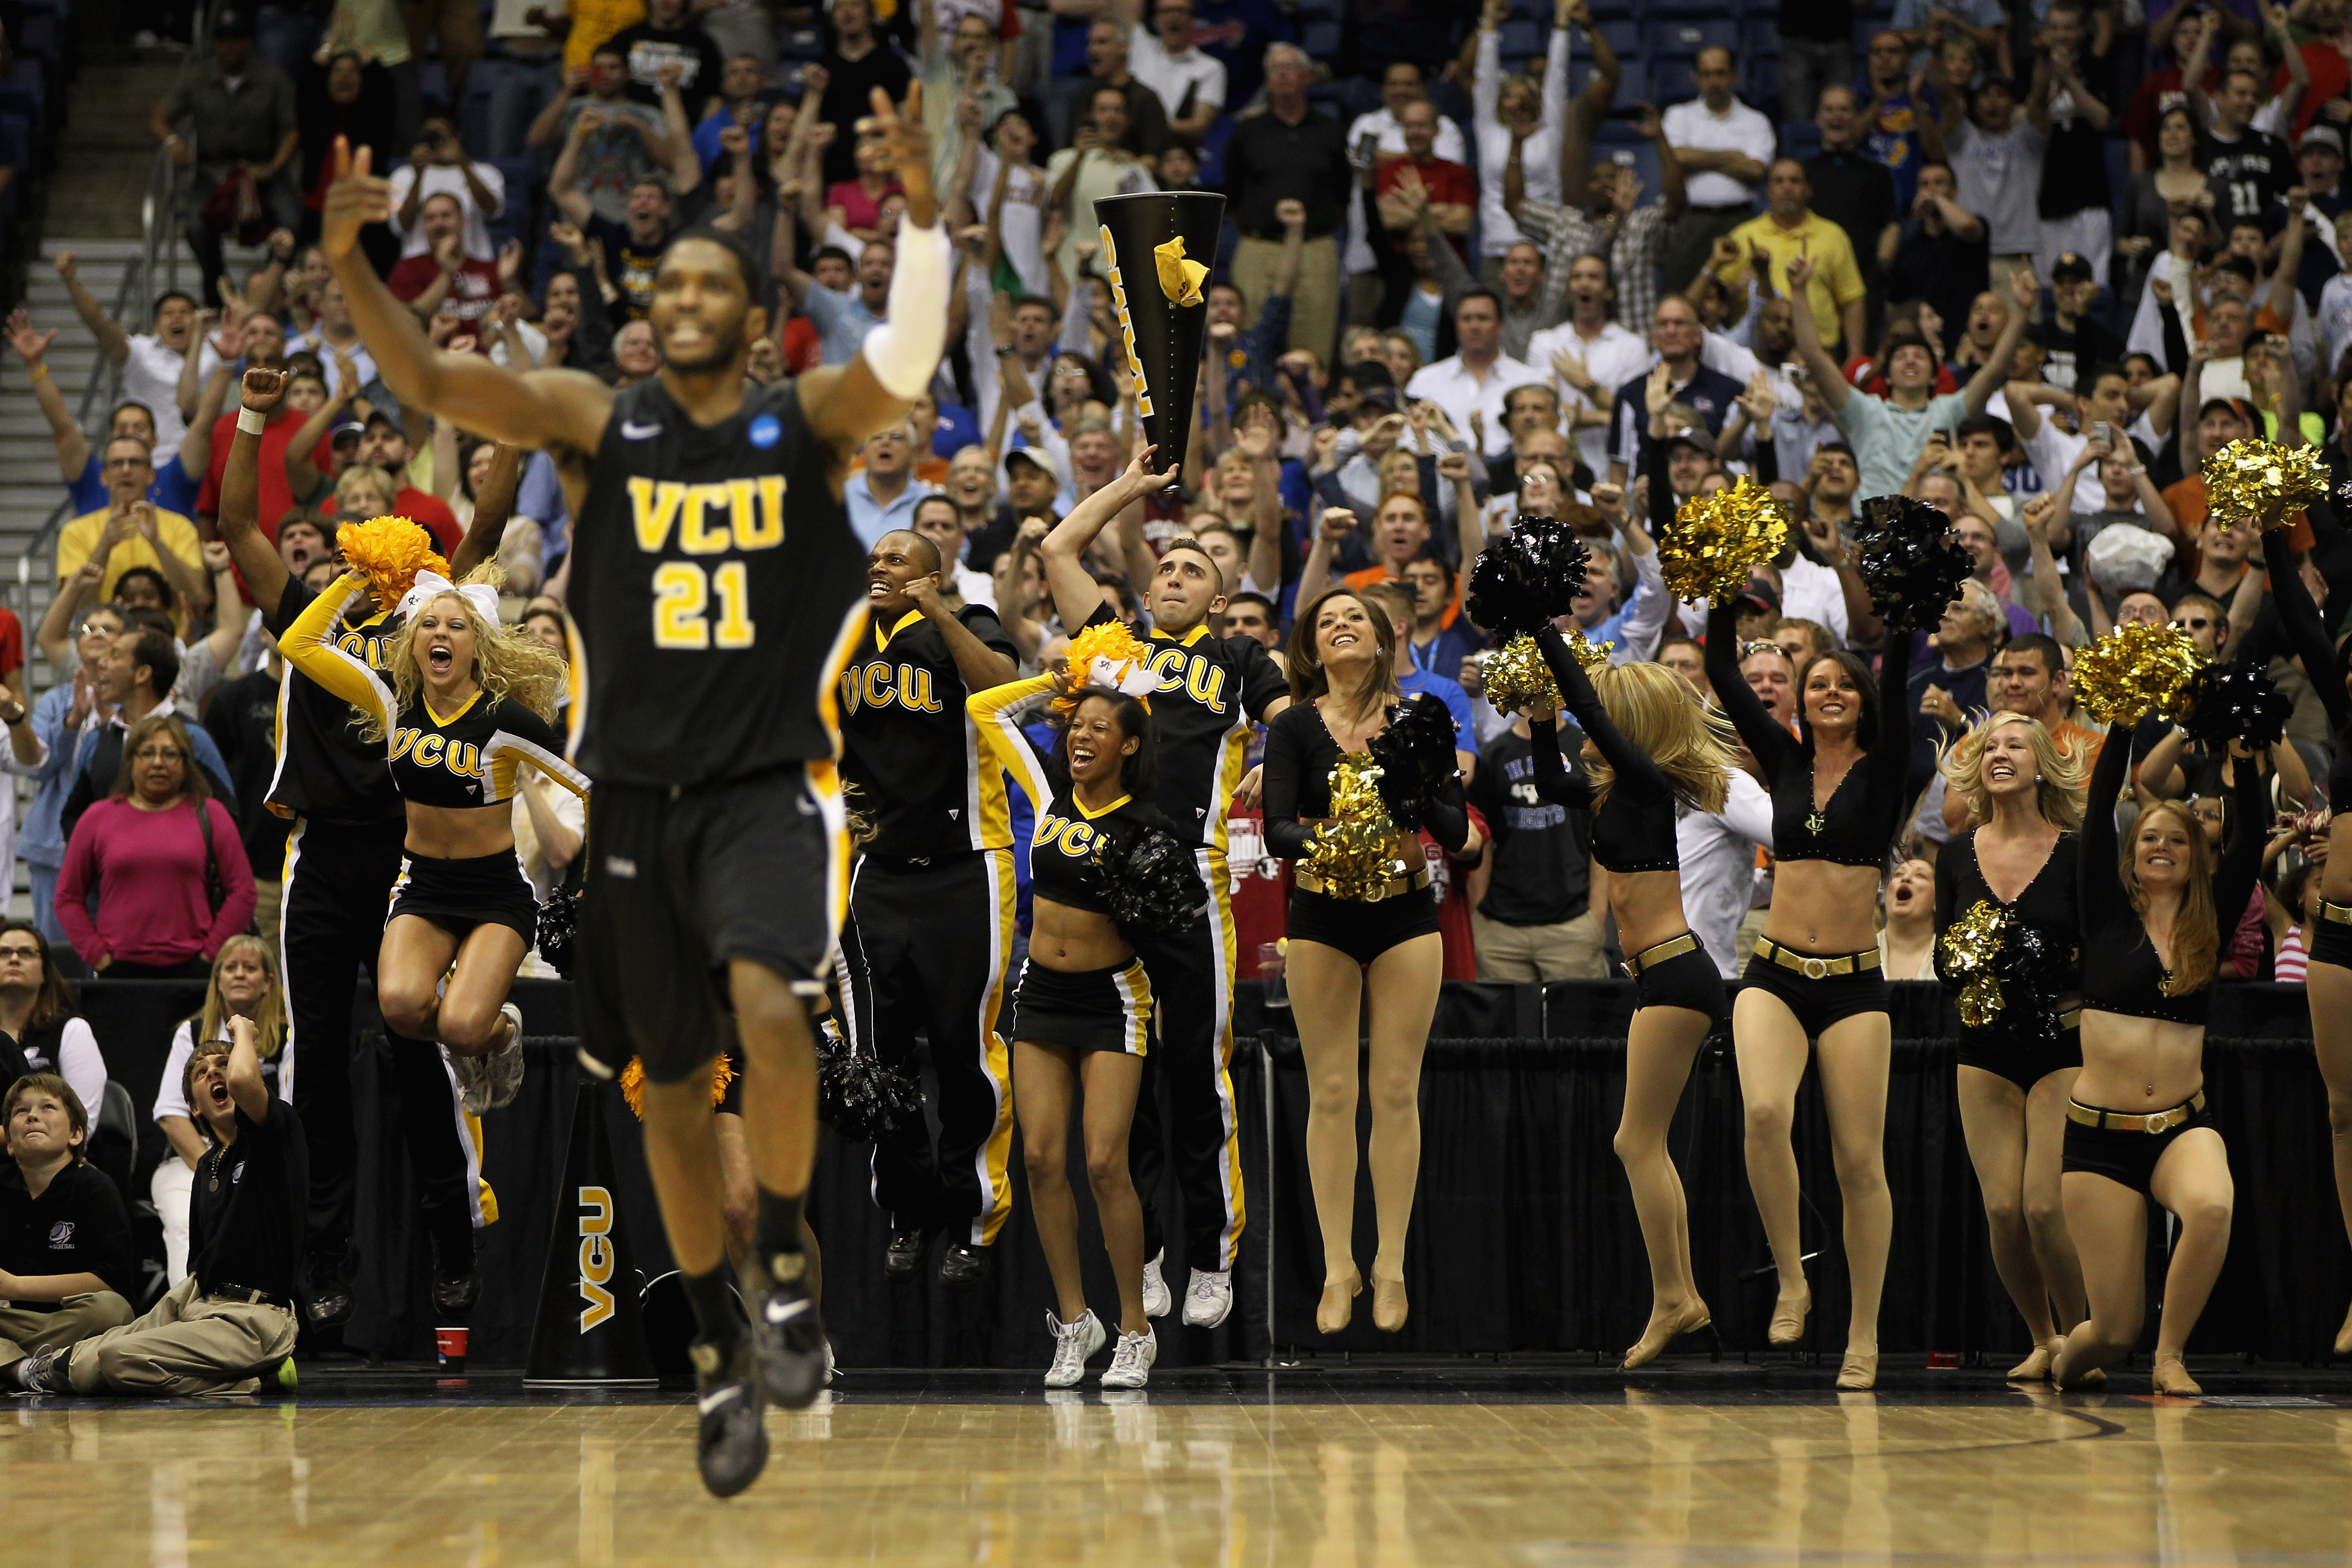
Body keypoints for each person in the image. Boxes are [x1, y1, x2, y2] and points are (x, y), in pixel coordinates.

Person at [319, 72, 947, 1492]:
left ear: (746, 319)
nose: (684, 308)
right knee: (678, 1119)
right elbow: (430, 384)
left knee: (770, 1018)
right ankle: (734, 1339)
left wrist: (924, 212)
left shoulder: (794, 432)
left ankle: (784, 1275)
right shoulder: (601, 431)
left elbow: (907, 360)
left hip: (768, 789)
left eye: (712, 286)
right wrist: (355, 264)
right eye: (665, 290)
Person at [215, 371, 500, 1340]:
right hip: (321, 854)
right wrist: (253, 416)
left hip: (412, 853)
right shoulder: (310, 609)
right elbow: (237, 525)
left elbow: (489, 530)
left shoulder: (437, 626)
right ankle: (324, 1256)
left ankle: (451, 1243)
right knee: (321, 1067)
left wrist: (508, 426)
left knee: (416, 1049)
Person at [1041, 452, 1288, 1327]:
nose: (1176, 577)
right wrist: (1137, 489)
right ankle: (1144, 1253)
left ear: (1218, 600)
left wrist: (1277, 770)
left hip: (1189, 877)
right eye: (1168, 568)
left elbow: (1290, 721)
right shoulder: (1118, 653)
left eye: (1194, 571)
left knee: (1197, 1079)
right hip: (1106, 878)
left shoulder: (1237, 657)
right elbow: (1062, 551)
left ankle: (1213, 1254)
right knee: (1126, 1083)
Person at [277, 558, 586, 1116]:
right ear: (411, 642)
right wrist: (354, 581)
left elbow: (591, 790)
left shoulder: (506, 720)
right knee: (398, 1006)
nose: (440, 633)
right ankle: (474, 1033)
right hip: (423, 888)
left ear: (477, 647)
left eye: (456, 626)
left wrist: (599, 885)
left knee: (464, 1028)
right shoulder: (392, 702)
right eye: (428, 624)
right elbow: (298, 645)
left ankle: (501, 1035)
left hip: (495, 893)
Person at [1705, 583, 1914, 1390]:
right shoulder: (1786, 758)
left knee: (1861, 1161)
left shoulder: (1889, 763)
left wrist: (1899, 610)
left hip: (1857, 986)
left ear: (1861, 699)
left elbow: (1896, 679)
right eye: (1815, 681)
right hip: (1775, 974)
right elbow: (1723, 675)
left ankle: (1862, 1332)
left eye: (1842, 683)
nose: (1829, 692)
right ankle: (1792, 1276)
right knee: (1763, 1111)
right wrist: (1722, 590)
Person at [1523, 611, 1739, 1367]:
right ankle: (1679, 1295)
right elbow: (1550, 778)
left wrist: (1546, 636)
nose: (1594, 728)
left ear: (1630, 725)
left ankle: (1676, 1296)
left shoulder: (1645, 783)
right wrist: (1543, 714)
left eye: (1607, 718)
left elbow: (1590, 706)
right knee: (1643, 1142)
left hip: (1677, 972)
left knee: (1634, 1140)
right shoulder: (1616, 796)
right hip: (1665, 975)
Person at [1262, 586, 1478, 1337]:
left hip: (1405, 910)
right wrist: (1336, 843)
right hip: (1321, 913)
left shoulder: (1422, 718)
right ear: (1312, 649)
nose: (1342, 626)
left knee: (1394, 1089)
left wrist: (1415, 785)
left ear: (1384, 637)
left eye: (1356, 617)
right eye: (1327, 622)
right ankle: (1336, 1265)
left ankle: (1389, 1263)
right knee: (1329, 1094)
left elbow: (1453, 829)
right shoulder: (1293, 726)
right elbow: (1279, 828)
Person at [967, 647, 1178, 1388]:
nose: (1081, 738)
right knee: (1038, 1158)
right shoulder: (1048, 789)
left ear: (1129, 744)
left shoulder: (1148, 823)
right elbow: (982, 709)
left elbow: (1171, 922)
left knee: (1102, 1164)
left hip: (1114, 997)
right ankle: (1073, 1321)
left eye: (1098, 728)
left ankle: (1133, 1326)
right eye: (1075, 726)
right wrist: (1053, 686)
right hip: (1041, 994)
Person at [2053, 711, 2266, 1394]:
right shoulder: (2105, 911)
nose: (2163, 846)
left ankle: (2172, 1357)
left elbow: (2255, 832)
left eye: (2177, 837)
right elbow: (2095, 817)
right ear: (2132, 850)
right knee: (2112, 1332)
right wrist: (2118, 728)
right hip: (2099, 1140)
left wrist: (2249, 753)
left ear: (2197, 851)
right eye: (2150, 837)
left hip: (2181, 1125)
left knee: (2211, 1206)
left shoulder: (2213, 915)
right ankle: (2060, 1360)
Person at [833, 529, 1020, 1285]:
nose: (880, 567)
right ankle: (908, 1208)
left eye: (898, 558)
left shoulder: (970, 621)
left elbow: (1002, 683)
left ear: (933, 575)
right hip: (877, 871)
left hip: (965, 868)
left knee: (962, 1049)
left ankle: (974, 1216)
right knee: (878, 1054)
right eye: (875, 558)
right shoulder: (846, 640)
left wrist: (939, 613)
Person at [17, 1018, 306, 1397]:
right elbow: (199, 1267)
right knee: (90, 1358)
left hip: (255, 1317)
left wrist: (246, 1035)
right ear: (194, 1107)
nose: (215, 1073)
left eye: (224, 1064)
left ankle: (257, 1378)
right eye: (202, 1073)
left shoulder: (272, 1133)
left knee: (119, 1357)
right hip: (203, 1305)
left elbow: (244, 1083)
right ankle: (31, 1371)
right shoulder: (207, 1165)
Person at [1935, 712, 2091, 1381]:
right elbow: (1945, 953)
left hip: (2062, 1043)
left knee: (2044, 1205)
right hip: (1984, 1045)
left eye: (2015, 744)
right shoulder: (1954, 853)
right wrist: (1969, 963)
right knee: (2001, 1208)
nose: (2000, 753)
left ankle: (2089, 1338)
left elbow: (2099, 948)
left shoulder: (2079, 851)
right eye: (1989, 745)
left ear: (2043, 764)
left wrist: (2046, 966)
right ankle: (2043, 1338)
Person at [2261, 527, 2352, 1357]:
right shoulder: (2347, 717)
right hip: (2341, 937)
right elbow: (2298, 619)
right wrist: (2271, 533)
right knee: (2343, 1113)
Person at [54, 713, 257, 981]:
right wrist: (99, 959)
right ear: (131, 762)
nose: (158, 762)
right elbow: (67, 898)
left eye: (170, 754)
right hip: (118, 973)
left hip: (195, 973)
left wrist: (211, 955)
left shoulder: (211, 814)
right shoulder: (97, 817)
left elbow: (243, 891)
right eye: (147, 753)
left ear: (186, 764)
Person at [151, 936, 286, 1287]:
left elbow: (290, 1112)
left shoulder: (287, 1037)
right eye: (230, 967)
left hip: (265, 1162)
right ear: (217, 980)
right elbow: (170, 1112)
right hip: (191, 1161)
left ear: (269, 981)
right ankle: (189, 1311)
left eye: (251, 967)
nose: (240, 974)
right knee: (185, 1222)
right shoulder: (191, 1032)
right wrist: (214, 1174)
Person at [150, 8, 303, 308]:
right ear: (215, 43)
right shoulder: (197, 77)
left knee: (292, 219)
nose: (231, 46)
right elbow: (159, 117)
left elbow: (293, 131)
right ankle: (219, 291)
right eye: (223, 39)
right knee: (195, 225)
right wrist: (173, 141)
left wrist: (273, 167)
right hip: (213, 171)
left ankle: (269, 292)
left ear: (249, 41)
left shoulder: (272, 78)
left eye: (238, 38)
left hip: (262, 170)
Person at [0, 1075, 136, 1387]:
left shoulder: (94, 1187)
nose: (33, 1115)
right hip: (16, 1322)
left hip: (77, 1318)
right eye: (21, 1112)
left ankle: (13, 1364)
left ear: (76, 1135)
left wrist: (15, 1286)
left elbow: (110, 1282)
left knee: (112, 1311)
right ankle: (29, 1369)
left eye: (48, 1107)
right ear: (9, 1143)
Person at [1220, 42, 1350, 358]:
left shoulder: (1330, 130)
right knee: (1249, 344)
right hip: (1259, 248)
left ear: (1307, 76)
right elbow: (1232, 195)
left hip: (1315, 248)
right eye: (1274, 69)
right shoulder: (1247, 132)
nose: (1282, 75)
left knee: (1313, 349)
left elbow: (1343, 194)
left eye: (1290, 67)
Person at [1661, 46, 1777, 295]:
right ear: (1697, 78)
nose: (1714, 81)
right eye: (1707, 74)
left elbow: (1756, 170)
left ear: (1735, 76)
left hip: (1740, 220)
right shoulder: (1679, 115)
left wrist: (1698, 156)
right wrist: (1732, 156)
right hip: (1691, 221)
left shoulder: (1756, 121)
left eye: (1720, 73)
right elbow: (1675, 159)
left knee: (1739, 296)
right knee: (1682, 295)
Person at [0, 921, 108, 1149]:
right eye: (4, 953)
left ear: (45, 972)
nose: (14, 959)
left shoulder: (71, 1030)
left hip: (51, 1162)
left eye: (27, 953)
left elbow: (81, 1122)